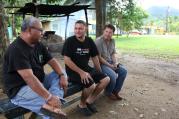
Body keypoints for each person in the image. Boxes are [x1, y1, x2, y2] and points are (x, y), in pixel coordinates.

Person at [3, 16, 68, 119]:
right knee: (49, 112)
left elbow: (52, 61)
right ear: (30, 30)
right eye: (40, 30)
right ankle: (51, 107)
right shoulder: (16, 49)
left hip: (39, 81)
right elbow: (29, 78)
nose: (42, 33)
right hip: (20, 89)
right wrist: (49, 97)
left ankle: (55, 101)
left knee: (61, 73)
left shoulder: (38, 44)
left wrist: (62, 75)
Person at [62, 20, 110, 116]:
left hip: (86, 69)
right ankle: (81, 104)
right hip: (73, 72)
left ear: (85, 29)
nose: (77, 31)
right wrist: (81, 72)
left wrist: (99, 72)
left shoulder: (89, 41)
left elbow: (95, 57)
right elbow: (67, 60)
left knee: (106, 79)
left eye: (80, 28)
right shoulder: (70, 41)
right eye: (76, 28)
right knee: (91, 85)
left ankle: (89, 101)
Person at [95, 24, 127, 100]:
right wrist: (110, 65)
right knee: (113, 75)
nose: (108, 34)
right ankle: (108, 92)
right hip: (101, 64)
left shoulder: (112, 41)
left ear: (113, 33)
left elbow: (112, 53)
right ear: (103, 31)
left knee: (123, 71)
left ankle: (115, 91)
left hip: (110, 62)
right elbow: (98, 57)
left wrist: (115, 63)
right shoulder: (98, 41)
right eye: (106, 31)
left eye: (110, 32)